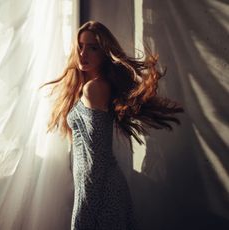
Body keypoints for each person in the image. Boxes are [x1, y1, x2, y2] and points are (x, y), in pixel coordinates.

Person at [41, 21, 183, 230]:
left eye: (93, 47)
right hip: (101, 191)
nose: (83, 53)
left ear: (105, 53)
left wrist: (83, 216)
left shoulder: (94, 89)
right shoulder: (94, 86)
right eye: (80, 46)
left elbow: (96, 161)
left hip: (102, 196)